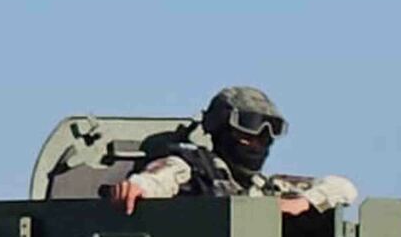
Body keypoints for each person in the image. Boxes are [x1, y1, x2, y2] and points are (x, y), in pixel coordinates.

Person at [108, 86, 358, 216]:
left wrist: (303, 203)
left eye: (265, 137)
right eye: (248, 133)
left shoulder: (268, 187)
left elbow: (343, 187)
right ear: (221, 129)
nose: (257, 144)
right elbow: (160, 178)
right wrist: (138, 186)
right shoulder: (193, 169)